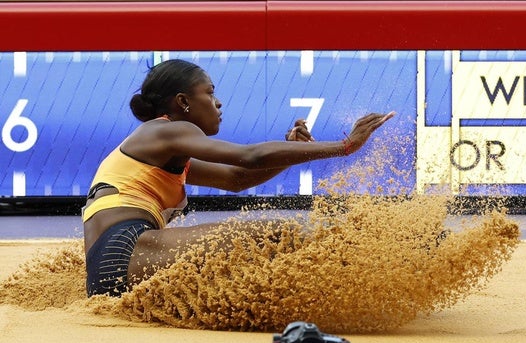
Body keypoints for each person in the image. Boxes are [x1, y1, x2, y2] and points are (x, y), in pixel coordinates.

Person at [82, 59, 395, 297]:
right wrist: (345, 146)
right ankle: (386, 270)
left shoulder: (163, 150)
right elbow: (250, 156)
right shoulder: (168, 129)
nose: (218, 104)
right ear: (183, 102)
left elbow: (237, 178)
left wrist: (291, 150)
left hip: (109, 270)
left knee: (258, 264)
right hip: (126, 249)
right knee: (278, 234)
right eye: (210, 93)